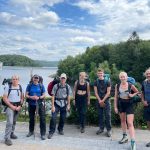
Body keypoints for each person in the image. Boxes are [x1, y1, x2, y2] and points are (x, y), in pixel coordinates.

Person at [114, 72, 139, 150]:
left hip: (129, 104)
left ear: (126, 77)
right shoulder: (117, 86)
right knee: (123, 121)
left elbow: (137, 92)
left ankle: (133, 142)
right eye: (121, 77)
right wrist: (115, 107)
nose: (122, 78)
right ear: (119, 78)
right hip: (121, 104)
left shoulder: (131, 85)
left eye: (124, 77)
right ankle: (124, 137)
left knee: (130, 123)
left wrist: (132, 95)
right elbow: (115, 97)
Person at [48, 73, 72, 139]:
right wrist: (52, 106)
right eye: (62, 78)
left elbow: (69, 96)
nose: (63, 79)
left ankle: (60, 129)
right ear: (60, 78)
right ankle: (51, 131)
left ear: (66, 79)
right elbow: (53, 96)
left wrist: (69, 105)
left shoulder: (68, 86)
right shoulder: (56, 86)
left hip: (64, 103)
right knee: (53, 117)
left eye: (64, 78)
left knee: (63, 118)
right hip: (56, 103)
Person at [3, 75, 24, 146]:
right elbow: (4, 98)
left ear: (18, 80)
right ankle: (7, 138)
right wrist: (11, 106)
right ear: (11, 80)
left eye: (16, 79)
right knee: (10, 122)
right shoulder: (8, 87)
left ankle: (11, 133)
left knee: (14, 121)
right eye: (13, 79)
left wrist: (20, 106)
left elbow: (22, 98)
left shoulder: (20, 87)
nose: (15, 80)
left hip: (17, 107)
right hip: (9, 106)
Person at [26, 74, 46, 140]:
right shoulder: (29, 85)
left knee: (42, 119)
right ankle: (31, 131)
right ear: (32, 79)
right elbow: (26, 95)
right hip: (31, 104)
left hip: (39, 104)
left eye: (37, 78)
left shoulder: (41, 86)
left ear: (38, 79)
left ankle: (42, 133)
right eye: (34, 78)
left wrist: (39, 97)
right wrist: (31, 97)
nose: (35, 79)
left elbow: (44, 94)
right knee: (31, 118)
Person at [94, 68, 111, 137]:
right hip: (99, 100)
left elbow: (108, 92)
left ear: (103, 74)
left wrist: (102, 100)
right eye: (99, 73)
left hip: (106, 100)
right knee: (100, 115)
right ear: (97, 74)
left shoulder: (108, 81)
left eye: (101, 73)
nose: (100, 74)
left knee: (107, 115)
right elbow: (95, 92)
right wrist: (99, 100)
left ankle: (109, 130)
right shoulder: (96, 81)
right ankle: (101, 128)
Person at [141, 68, 150, 147]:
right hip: (147, 105)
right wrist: (143, 101)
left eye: (149, 73)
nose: (148, 75)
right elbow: (142, 92)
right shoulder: (144, 82)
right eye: (147, 74)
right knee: (148, 123)